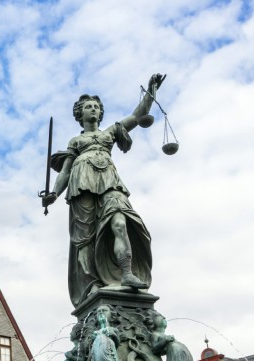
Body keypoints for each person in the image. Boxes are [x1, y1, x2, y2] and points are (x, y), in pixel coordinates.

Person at [42, 73, 165, 307]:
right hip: (81, 185)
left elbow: (138, 116)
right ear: (80, 114)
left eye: (96, 107)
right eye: (88, 107)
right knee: (84, 239)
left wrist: (151, 92)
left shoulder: (109, 133)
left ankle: (127, 272)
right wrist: (54, 195)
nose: (93, 110)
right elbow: (65, 172)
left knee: (120, 222)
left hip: (109, 181)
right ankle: (91, 285)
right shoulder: (75, 142)